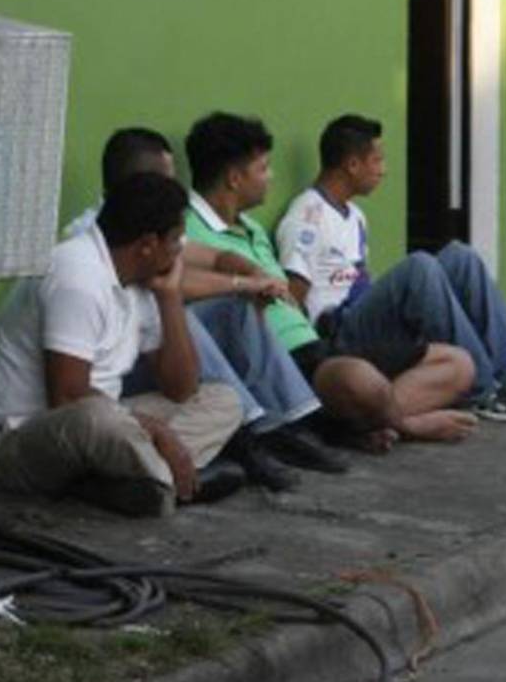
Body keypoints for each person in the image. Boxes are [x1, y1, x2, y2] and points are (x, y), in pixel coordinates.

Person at [67, 128, 348, 490]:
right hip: (105, 385)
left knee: (235, 311)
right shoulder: (95, 235)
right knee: (181, 315)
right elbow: (175, 283)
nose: (177, 193)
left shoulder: (151, 221)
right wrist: (242, 284)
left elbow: (212, 256)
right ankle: (245, 440)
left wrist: (250, 270)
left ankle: (290, 425)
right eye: (167, 182)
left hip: (143, 368)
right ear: (139, 187)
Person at [0, 172, 247, 518]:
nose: (180, 253)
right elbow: (67, 397)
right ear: (147, 245)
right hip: (15, 445)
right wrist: (157, 430)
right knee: (98, 417)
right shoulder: (76, 274)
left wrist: (170, 298)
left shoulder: (142, 279)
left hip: (103, 430)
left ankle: (140, 482)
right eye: (176, 242)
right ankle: (169, 483)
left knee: (224, 400)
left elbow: (181, 389)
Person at [181, 112, 476, 449]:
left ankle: (357, 420)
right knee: (361, 380)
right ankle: (401, 422)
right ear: (234, 178)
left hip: (321, 347)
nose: (271, 177)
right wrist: (243, 287)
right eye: (263, 168)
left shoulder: (252, 228)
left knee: (457, 364)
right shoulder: (188, 231)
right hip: (284, 359)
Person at [276, 114, 506, 422]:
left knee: (461, 256)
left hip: (365, 317)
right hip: (338, 336)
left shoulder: (355, 215)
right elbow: (292, 296)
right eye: (377, 160)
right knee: (419, 267)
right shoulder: (306, 215)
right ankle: (483, 391)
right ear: (352, 165)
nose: (383, 170)